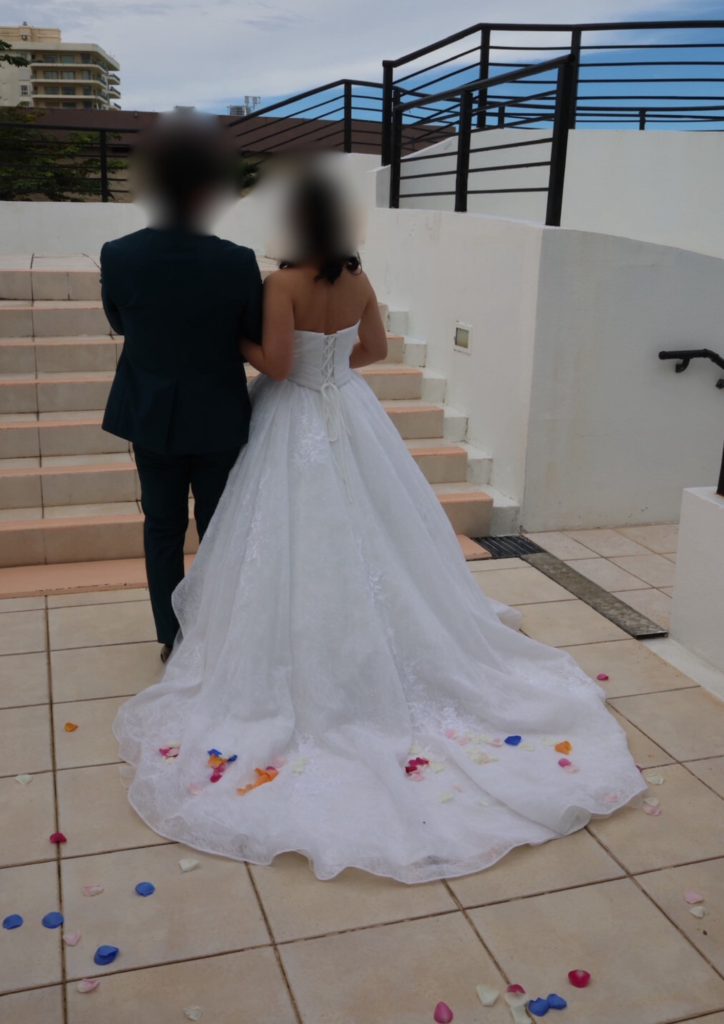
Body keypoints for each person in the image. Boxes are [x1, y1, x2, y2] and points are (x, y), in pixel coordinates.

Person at [113, 166, 645, 883]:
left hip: (291, 414)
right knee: (371, 533)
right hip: (349, 408)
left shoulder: (281, 283)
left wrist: (237, 346)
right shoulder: (358, 278)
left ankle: (240, 634)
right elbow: (375, 351)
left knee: (281, 539)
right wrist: (331, 368)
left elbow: (276, 363)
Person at [100, 111, 263, 661]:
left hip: (150, 413)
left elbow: (119, 322)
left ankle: (172, 637)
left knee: (162, 527)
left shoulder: (118, 254)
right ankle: (215, 632)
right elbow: (252, 332)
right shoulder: (237, 261)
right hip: (218, 413)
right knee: (217, 527)